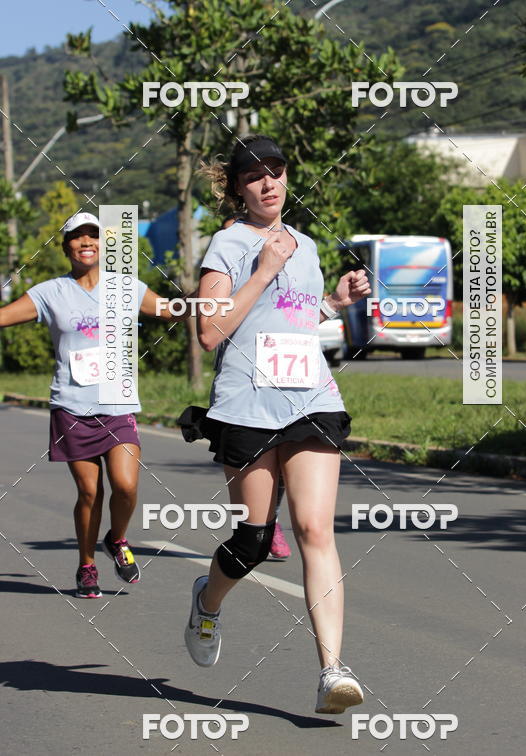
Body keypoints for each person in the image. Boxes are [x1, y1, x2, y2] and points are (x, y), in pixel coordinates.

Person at [178, 135, 371, 713]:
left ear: (287, 177)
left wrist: (333, 302)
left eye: (276, 171)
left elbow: (292, 317)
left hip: (309, 397)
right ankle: (208, 602)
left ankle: (332, 671)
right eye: (255, 175)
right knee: (254, 541)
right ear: (238, 187)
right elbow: (210, 331)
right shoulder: (227, 246)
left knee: (315, 529)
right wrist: (261, 271)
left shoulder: (305, 245)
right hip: (247, 404)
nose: (268, 183)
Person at [0, 211, 191, 598]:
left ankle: (116, 539)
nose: (85, 242)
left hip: (117, 403)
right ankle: (86, 565)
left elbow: (171, 309)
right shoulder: (49, 292)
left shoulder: (126, 287)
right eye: (77, 236)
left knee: (125, 484)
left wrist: (217, 302)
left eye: (93, 236)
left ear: (104, 245)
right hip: (71, 407)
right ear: (66, 245)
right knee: (89, 493)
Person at [220, 214, 291, 562]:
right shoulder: (225, 271)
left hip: (287, 383)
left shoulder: (280, 264)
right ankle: (255, 527)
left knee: (288, 464)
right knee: (256, 464)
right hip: (242, 386)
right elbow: (209, 325)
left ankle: (269, 519)